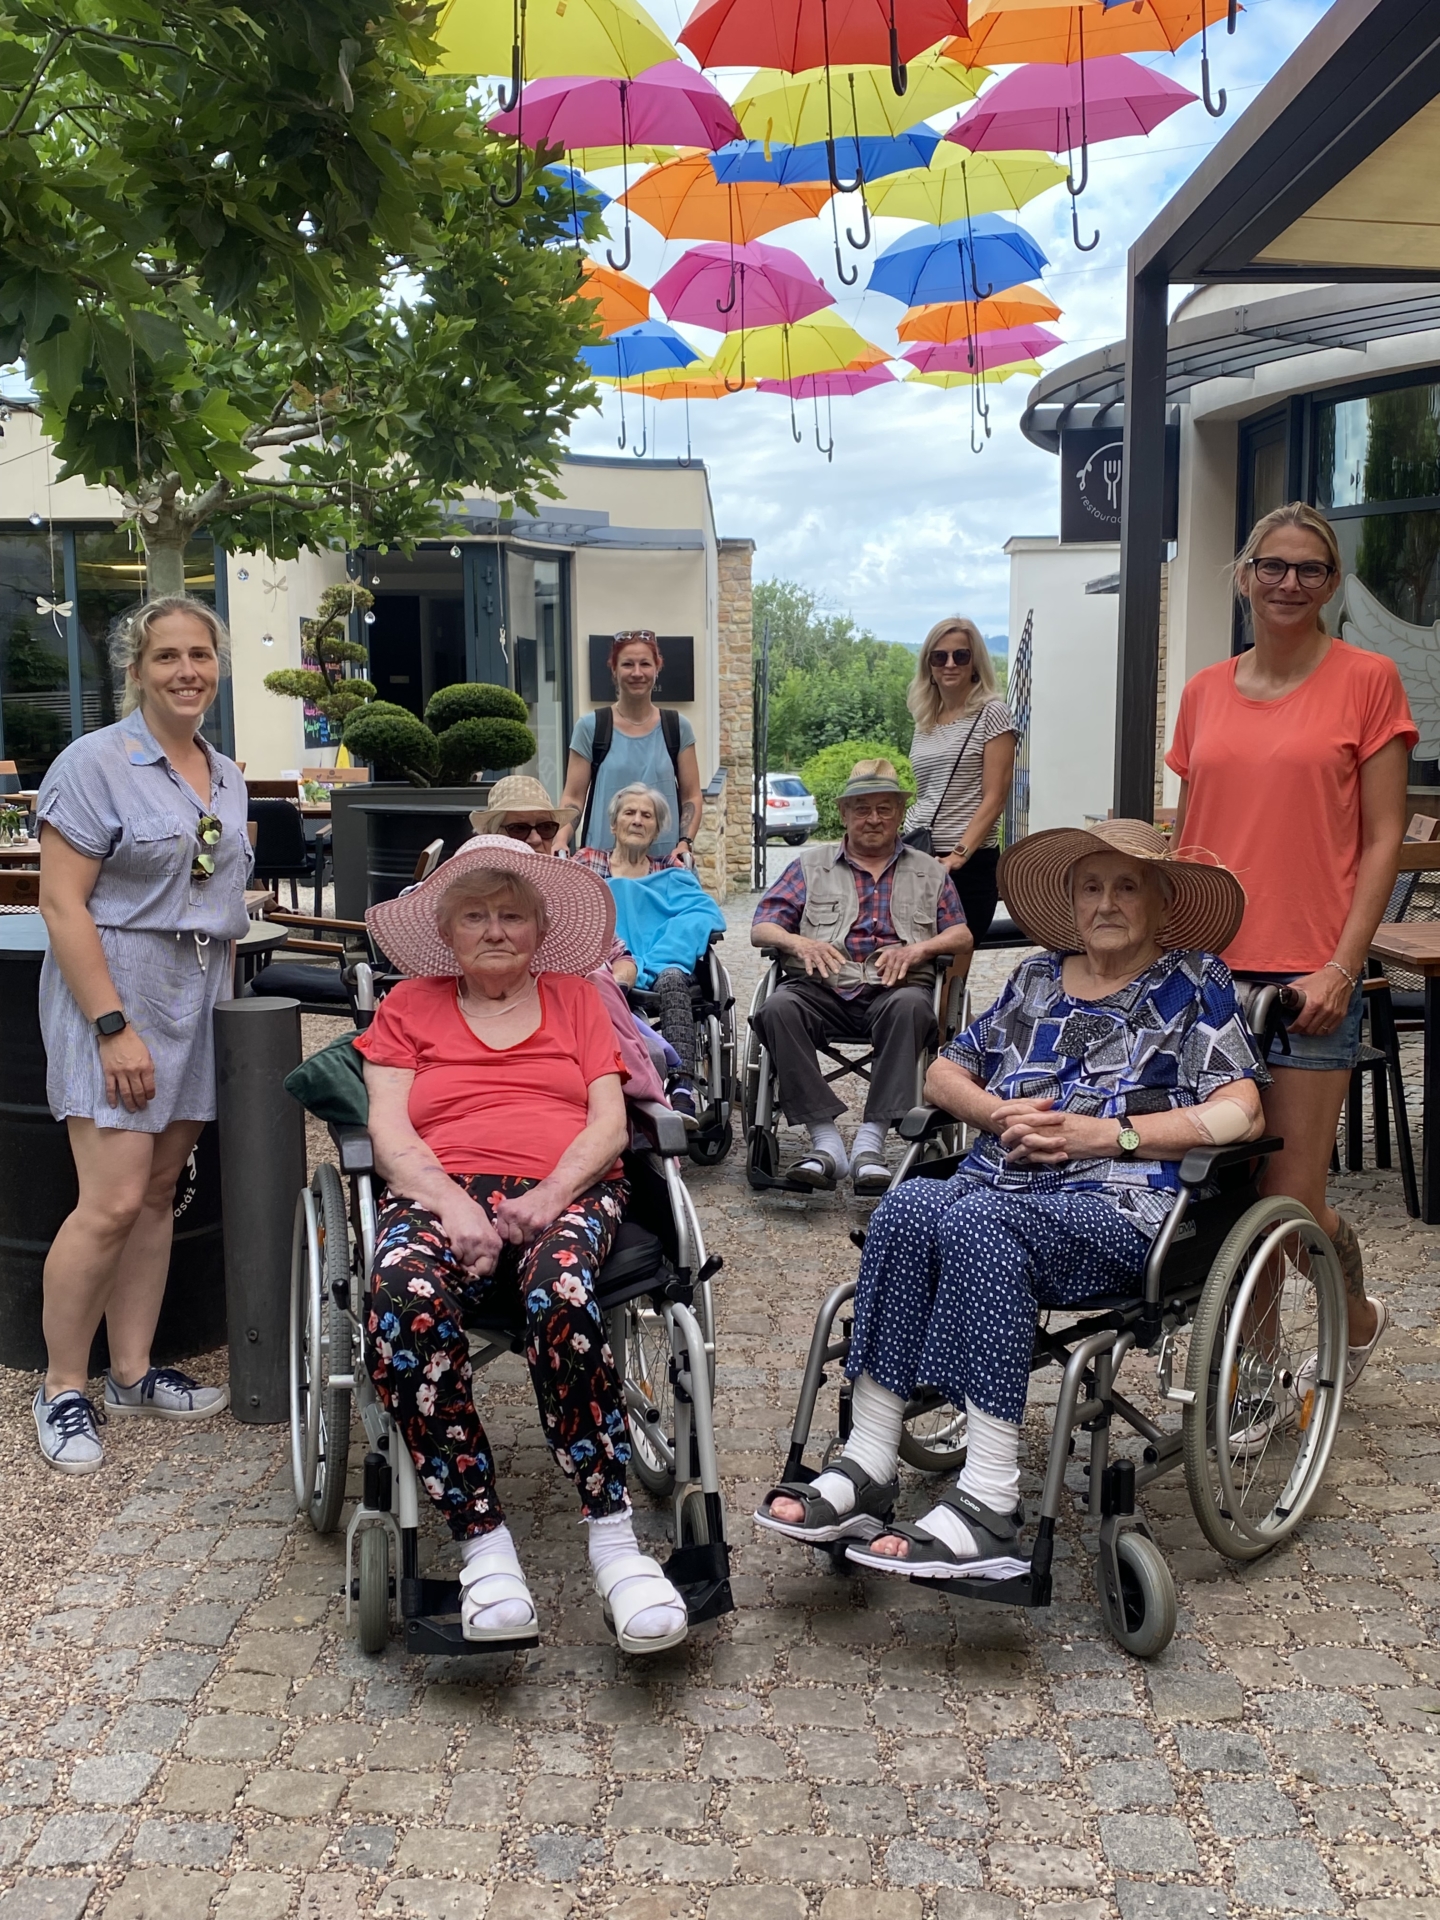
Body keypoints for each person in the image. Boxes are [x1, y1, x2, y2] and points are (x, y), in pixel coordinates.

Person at [756, 821, 1268, 1575]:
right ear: (1071, 902)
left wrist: (1108, 1136)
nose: (1106, 903)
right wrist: (995, 1114)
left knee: (976, 1221)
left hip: (1119, 1203)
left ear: (1163, 902)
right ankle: (867, 1462)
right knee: (907, 1205)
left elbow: (1241, 1113)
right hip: (997, 1185)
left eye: (1127, 886)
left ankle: (992, 1498)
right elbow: (944, 1073)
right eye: (1091, 887)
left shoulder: (1194, 982)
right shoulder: (1036, 977)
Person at [354, 838, 689, 1652]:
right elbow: (387, 1132)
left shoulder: (577, 998)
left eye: (512, 915)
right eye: (475, 916)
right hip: (438, 1189)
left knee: (562, 1289)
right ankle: (484, 1545)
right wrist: (451, 1205)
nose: (495, 930)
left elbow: (609, 1125)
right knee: (401, 1295)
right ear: (446, 932)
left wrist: (548, 1196)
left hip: (566, 1186)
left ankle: (615, 1543)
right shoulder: (408, 1007)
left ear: (540, 930)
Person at [1168, 500, 1416, 1398]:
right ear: (1244, 576)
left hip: (1312, 969)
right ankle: (1257, 1367)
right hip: (1210, 970)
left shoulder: (1367, 680)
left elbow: (1383, 838)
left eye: (1310, 569)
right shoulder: (1203, 691)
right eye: (1272, 566)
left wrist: (1345, 966)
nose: (1288, 582)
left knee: (1290, 1194)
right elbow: (1190, 836)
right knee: (1229, 1187)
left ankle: (1355, 1312)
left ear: (1332, 584)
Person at [33, 596, 245, 1473]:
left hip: (196, 996)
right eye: (167, 657)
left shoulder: (224, 773)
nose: (187, 671)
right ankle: (61, 1386)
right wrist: (111, 1025)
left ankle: (130, 1370)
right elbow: (61, 903)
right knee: (112, 1200)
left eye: (201, 655)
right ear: (136, 670)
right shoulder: (93, 764)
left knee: (158, 1192)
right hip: (116, 993)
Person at [750, 758, 973, 1195]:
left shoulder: (929, 871)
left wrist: (918, 949)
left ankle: (871, 1145)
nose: (873, 819)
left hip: (894, 991)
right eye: (863, 809)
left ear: (900, 814)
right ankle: (826, 1144)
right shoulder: (809, 866)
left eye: (885, 809)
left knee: (912, 1007)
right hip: (821, 988)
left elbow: (961, 934)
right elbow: (763, 926)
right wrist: (800, 943)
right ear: (844, 813)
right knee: (778, 1008)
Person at [468, 775, 673, 1104]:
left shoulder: (572, 895)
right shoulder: (465, 894)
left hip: (577, 1022)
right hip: (502, 1021)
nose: (536, 838)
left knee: (605, 989)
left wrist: (609, 990)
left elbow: (622, 956)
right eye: (519, 829)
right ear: (492, 835)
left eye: (546, 828)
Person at [575, 784, 726, 1120]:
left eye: (647, 816)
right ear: (613, 824)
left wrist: (662, 956)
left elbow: (701, 913)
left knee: (673, 978)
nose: (637, 820)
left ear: (656, 830)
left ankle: (682, 1087)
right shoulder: (586, 862)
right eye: (629, 813)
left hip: (663, 965)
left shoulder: (670, 871)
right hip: (605, 965)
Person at [904, 617, 1016, 942]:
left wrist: (959, 855)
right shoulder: (926, 719)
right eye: (939, 657)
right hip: (918, 855)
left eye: (961, 655)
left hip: (965, 864)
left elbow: (996, 796)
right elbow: (927, 792)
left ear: (975, 662)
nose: (950, 664)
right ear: (929, 666)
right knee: (911, 960)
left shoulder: (992, 713)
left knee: (951, 962)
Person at [558, 631, 703, 865]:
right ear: (614, 670)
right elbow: (574, 797)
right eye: (627, 664)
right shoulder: (591, 727)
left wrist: (685, 842)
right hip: (604, 864)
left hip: (663, 862)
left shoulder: (677, 728)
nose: (637, 673)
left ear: (657, 668)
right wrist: (561, 837)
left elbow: (691, 795)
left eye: (645, 664)